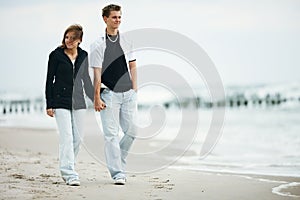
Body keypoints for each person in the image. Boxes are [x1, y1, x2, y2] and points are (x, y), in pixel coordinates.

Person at [90, 4, 137, 185]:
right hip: (108, 94)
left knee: (132, 131)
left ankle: (119, 160)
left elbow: (133, 64)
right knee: (111, 135)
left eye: (119, 17)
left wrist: (135, 88)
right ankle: (118, 173)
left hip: (128, 93)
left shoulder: (127, 41)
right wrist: (96, 97)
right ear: (105, 19)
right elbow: (96, 74)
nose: (117, 20)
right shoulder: (97, 44)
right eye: (114, 17)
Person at [45, 24, 94, 186]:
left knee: (78, 138)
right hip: (60, 101)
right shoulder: (56, 55)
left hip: (79, 101)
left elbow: (86, 80)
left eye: (73, 38)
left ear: (79, 40)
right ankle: (69, 173)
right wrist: (49, 104)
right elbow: (49, 80)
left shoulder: (84, 55)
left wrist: (96, 99)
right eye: (67, 37)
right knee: (66, 137)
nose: (69, 41)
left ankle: (67, 165)